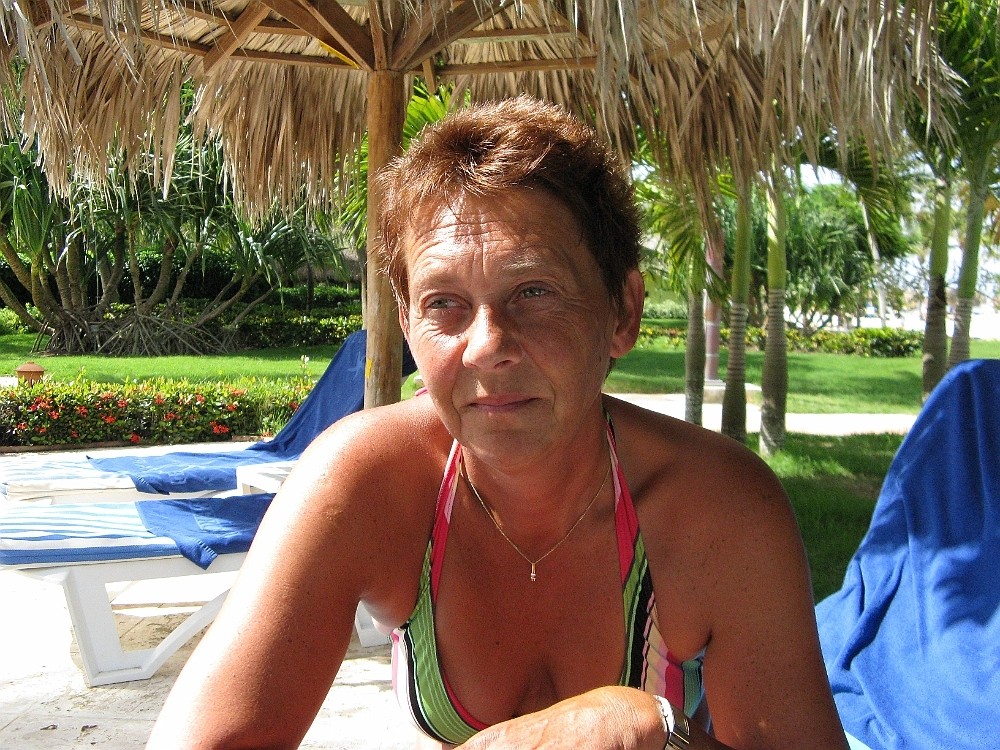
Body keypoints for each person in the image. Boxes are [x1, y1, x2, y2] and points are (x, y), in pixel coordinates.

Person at [146, 97, 849, 750]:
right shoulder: (365, 481)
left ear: (623, 311)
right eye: (443, 303)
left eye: (533, 291)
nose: (486, 346)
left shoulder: (716, 508)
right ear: (406, 325)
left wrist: (653, 731)